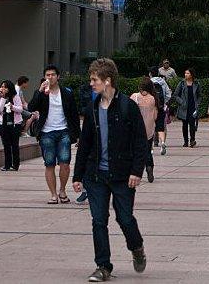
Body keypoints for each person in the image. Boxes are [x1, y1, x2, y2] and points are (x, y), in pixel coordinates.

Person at [72, 58, 148, 282]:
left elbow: (140, 142)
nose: (91, 84)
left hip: (123, 175)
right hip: (96, 175)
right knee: (98, 220)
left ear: (107, 81)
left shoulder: (127, 106)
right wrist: (78, 176)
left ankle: (137, 247)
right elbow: (85, 143)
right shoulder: (92, 108)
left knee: (124, 218)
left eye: (94, 80)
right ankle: (103, 266)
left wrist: (136, 171)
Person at [29, 65, 81, 204]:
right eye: (47, 75)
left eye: (52, 75)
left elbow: (74, 115)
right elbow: (31, 107)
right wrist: (39, 92)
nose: (50, 77)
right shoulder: (41, 93)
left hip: (64, 131)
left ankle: (62, 190)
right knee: (49, 164)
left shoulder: (66, 93)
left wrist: (78, 135)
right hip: (47, 132)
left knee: (65, 162)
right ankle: (53, 194)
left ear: (58, 77)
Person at [131, 78, 159, 183]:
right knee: (147, 150)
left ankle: (136, 171)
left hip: (136, 129)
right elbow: (155, 116)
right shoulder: (152, 98)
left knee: (136, 151)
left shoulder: (134, 97)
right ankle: (149, 166)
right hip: (149, 129)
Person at [0, 79, 25, 172]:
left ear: (9, 88)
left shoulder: (15, 97)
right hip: (3, 124)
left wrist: (12, 107)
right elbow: (0, 109)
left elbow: (21, 109)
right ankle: (7, 165)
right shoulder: (1, 97)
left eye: (5, 87)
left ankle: (15, 164)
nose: (2, 88)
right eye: (1, 86)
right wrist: (3, 98)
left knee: (14, 144)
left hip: (15, 124)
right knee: (6, 145)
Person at [174, 68, 202, 148]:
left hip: (193, 107)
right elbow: (176, 95)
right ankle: (185, 141)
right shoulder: (182, 83)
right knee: (185, 125)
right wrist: (181, 102)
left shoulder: (196, 83)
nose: (186, 75)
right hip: (184, 107)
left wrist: (198, 103)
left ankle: (192, 140)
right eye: (185, 73)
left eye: (188, 73)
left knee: (192, 124)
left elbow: (199, 95)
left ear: (192, 75)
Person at [148, 67, 170, 156]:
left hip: (151, 107)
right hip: (161, 107)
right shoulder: (162, 81)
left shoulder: (149, 82)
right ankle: (163, 142)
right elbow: (168, 94)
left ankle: (151, 148)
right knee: (161, 127)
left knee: (150, 127)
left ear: (150, 73)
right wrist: (164, 103)